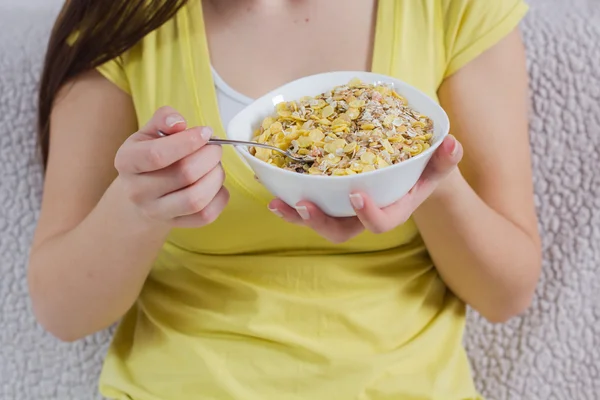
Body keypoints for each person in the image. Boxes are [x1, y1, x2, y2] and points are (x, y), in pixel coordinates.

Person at [28, 0, 542, 399]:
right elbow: (64, 314)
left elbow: (505, 296)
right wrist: (136, 207)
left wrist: (428, 178)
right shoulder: (118, 19)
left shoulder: (455, 9)